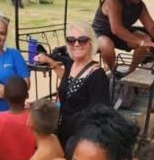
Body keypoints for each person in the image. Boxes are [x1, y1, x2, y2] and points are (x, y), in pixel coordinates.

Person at [35, 21, 110, 149]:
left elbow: (99, 116)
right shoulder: (71, 64)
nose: (76, 44)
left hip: (81, 139)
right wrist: (48, 60)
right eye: (71, 40)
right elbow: (65, 78)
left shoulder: (97, 75)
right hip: (63, 131)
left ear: (91, 42)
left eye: (82, 40)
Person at [92, 0, 154, 72]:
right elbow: (116, 29)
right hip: (101, 33)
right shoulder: (114, 0)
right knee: (107, 45)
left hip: (122, 32)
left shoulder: (140, 5)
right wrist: (140, 42)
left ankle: (131, 71)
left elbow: (151, 27)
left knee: (146, 41)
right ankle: (114, 72)